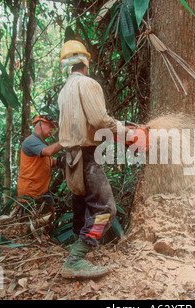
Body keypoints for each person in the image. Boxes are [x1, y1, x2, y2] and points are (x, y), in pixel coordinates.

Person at [57, 40, 127, 279]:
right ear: (85, 61)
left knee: (81, 205)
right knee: (105, 210)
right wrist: (124, 131)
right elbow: (99, 120)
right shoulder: (87, 84)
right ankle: (76, 257)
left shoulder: (64, 90)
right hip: (86, 155)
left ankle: (77, 247)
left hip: (71, 157)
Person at [17, 114, 64, 217]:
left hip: (43, 191)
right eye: (49, 126)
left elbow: (48, 163)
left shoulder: (42, 144)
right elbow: (49, 151)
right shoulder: (31, 141)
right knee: (31, 225)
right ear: (39, 125)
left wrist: (63, 161)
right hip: (30, 195)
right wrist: (67, 140)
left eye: (53, 127)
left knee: (49, 216)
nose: (51, 129)